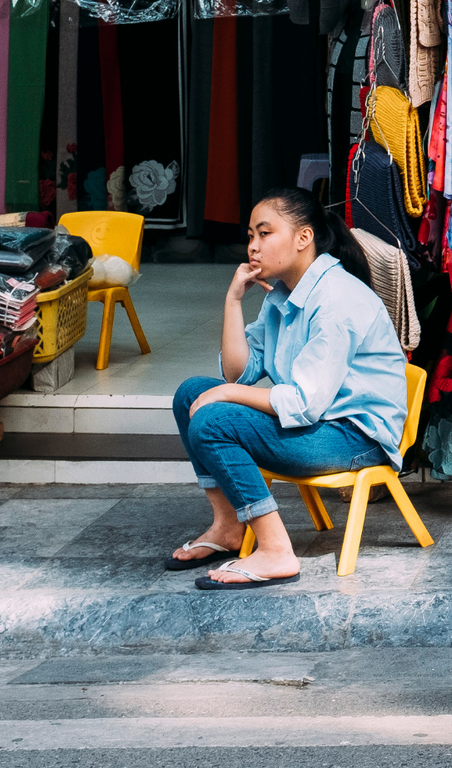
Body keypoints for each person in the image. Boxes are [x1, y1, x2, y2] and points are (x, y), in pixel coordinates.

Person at [166, 188, 410, 591]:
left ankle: (277, 549)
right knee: (191, 393)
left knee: (213, 417)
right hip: (318, 425)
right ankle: (228, 527)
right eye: (250, 236)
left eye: (265, 233)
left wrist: (226, 396)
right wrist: (232, 301)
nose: (253, 247)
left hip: (354, 437)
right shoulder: (283, 294)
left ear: (303, 238)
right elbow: (237, 375)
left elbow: (302, 403)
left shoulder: (336, 299)